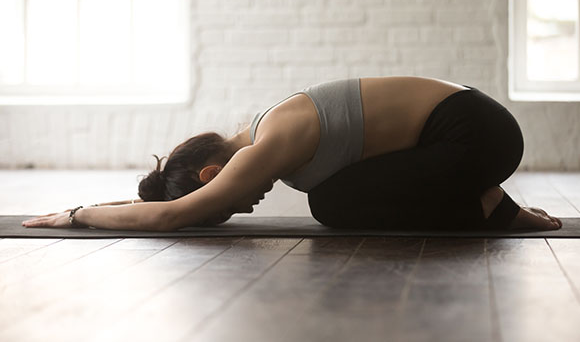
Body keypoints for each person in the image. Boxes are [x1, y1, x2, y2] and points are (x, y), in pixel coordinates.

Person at [22, 76, 562, 232]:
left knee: (333, 205)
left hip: (476, 136)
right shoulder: (269, 130)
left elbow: (173, 214)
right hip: (474, 130)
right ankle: (489, 204)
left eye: (223, 204)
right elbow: (170, 202)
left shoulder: (268, 145)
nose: (241, 207)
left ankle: (492, 208)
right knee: (335, 198)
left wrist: (77, 215)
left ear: (215, 173)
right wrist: (109, 203)